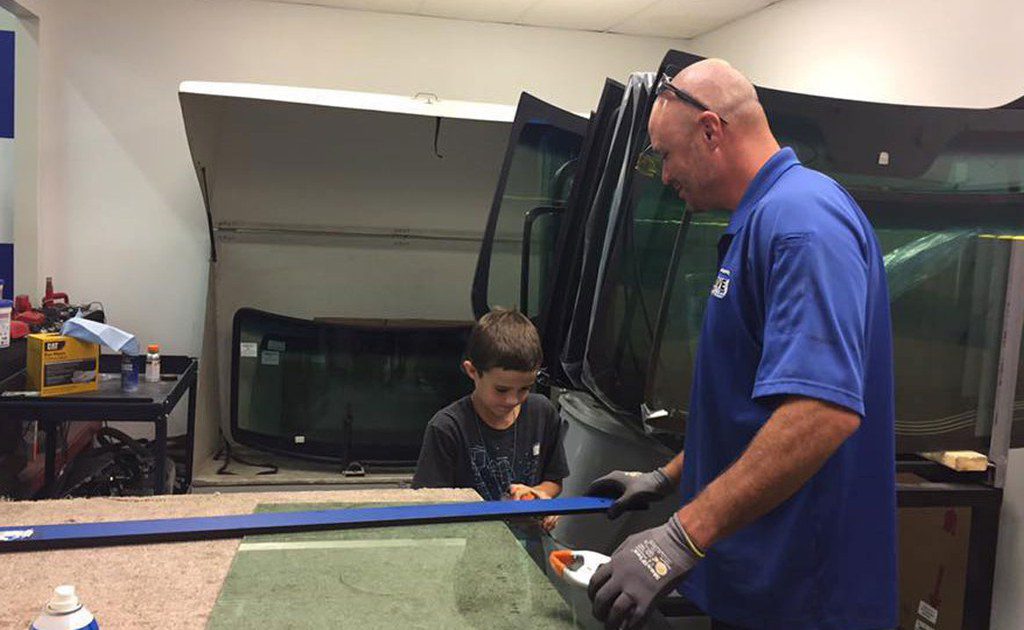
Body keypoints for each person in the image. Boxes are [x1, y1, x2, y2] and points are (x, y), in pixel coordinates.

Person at [585, 59, 896, 630]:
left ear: (710, 131)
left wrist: (677, 538)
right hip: (758, 578)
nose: (662, 174)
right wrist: (670, 476)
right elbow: (755, 407)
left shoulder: (802, 223)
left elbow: (820, 413)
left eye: (665, 154)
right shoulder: (761, 221)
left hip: (802, 597)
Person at [413, 308, 569, 531]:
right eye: (501, 389)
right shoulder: (447, 428)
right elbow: (428, 505)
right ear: (472, 371)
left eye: (525, 388)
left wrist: (538, 495)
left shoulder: (543, 413)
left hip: (531, 543)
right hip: (466, 545)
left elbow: (554, 481)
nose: (513, 400)